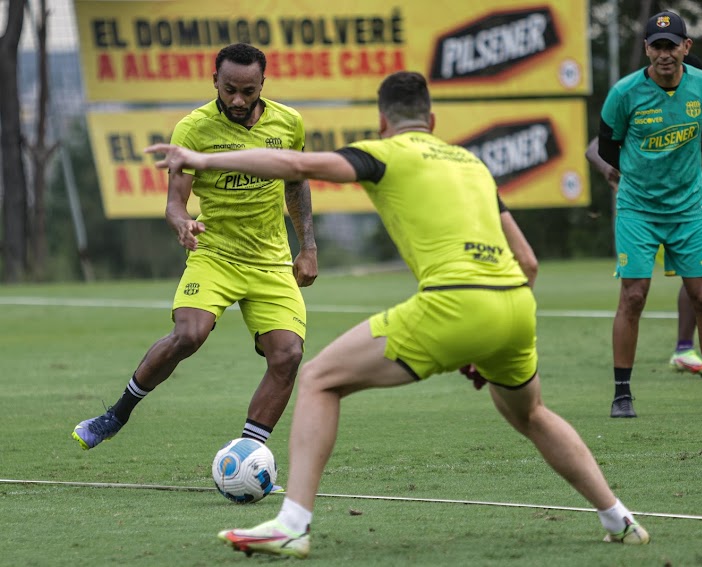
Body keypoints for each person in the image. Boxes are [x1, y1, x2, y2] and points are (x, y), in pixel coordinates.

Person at [147, 70, 650, 559]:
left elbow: (296, 168)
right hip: (516, 305)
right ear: (431, 121)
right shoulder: (470, 163)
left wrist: (200, 160)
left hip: (456, 301)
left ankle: (291, 527)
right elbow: (529, 261)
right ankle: (618, 518)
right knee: (532, 414)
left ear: (383, 123)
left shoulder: (381, 154)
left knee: (320, 377)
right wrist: (488, 338)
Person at [72, 43, 318, 455]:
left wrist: (307, 245)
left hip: (271, 260)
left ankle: (246, 457)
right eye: (229, 90)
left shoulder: (289, 123)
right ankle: (115, 415)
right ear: (215, 82)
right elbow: (174, 203)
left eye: (248, 91)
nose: (238, 100)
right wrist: (182, 223)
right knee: (189, 334)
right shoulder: (193, 130)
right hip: (215, 254)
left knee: (288, 355)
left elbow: (297, 183)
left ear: (263, 84)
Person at [597, 11, 702, 418]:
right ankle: (622, 394)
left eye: (671, 45)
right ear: (646, 50)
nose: (664, 54)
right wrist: (637, 176)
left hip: (690, 207)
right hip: (637, 208)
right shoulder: (624, 93)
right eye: (656, 46)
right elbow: (609, 147)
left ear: (685, 47)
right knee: (634, 296)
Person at [585, 54, 702, 376]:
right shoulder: (637, 98)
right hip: (646, 213)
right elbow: (594, 147)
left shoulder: (700, 99)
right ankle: (686, 349)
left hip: (688, 208)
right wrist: (614, 172)